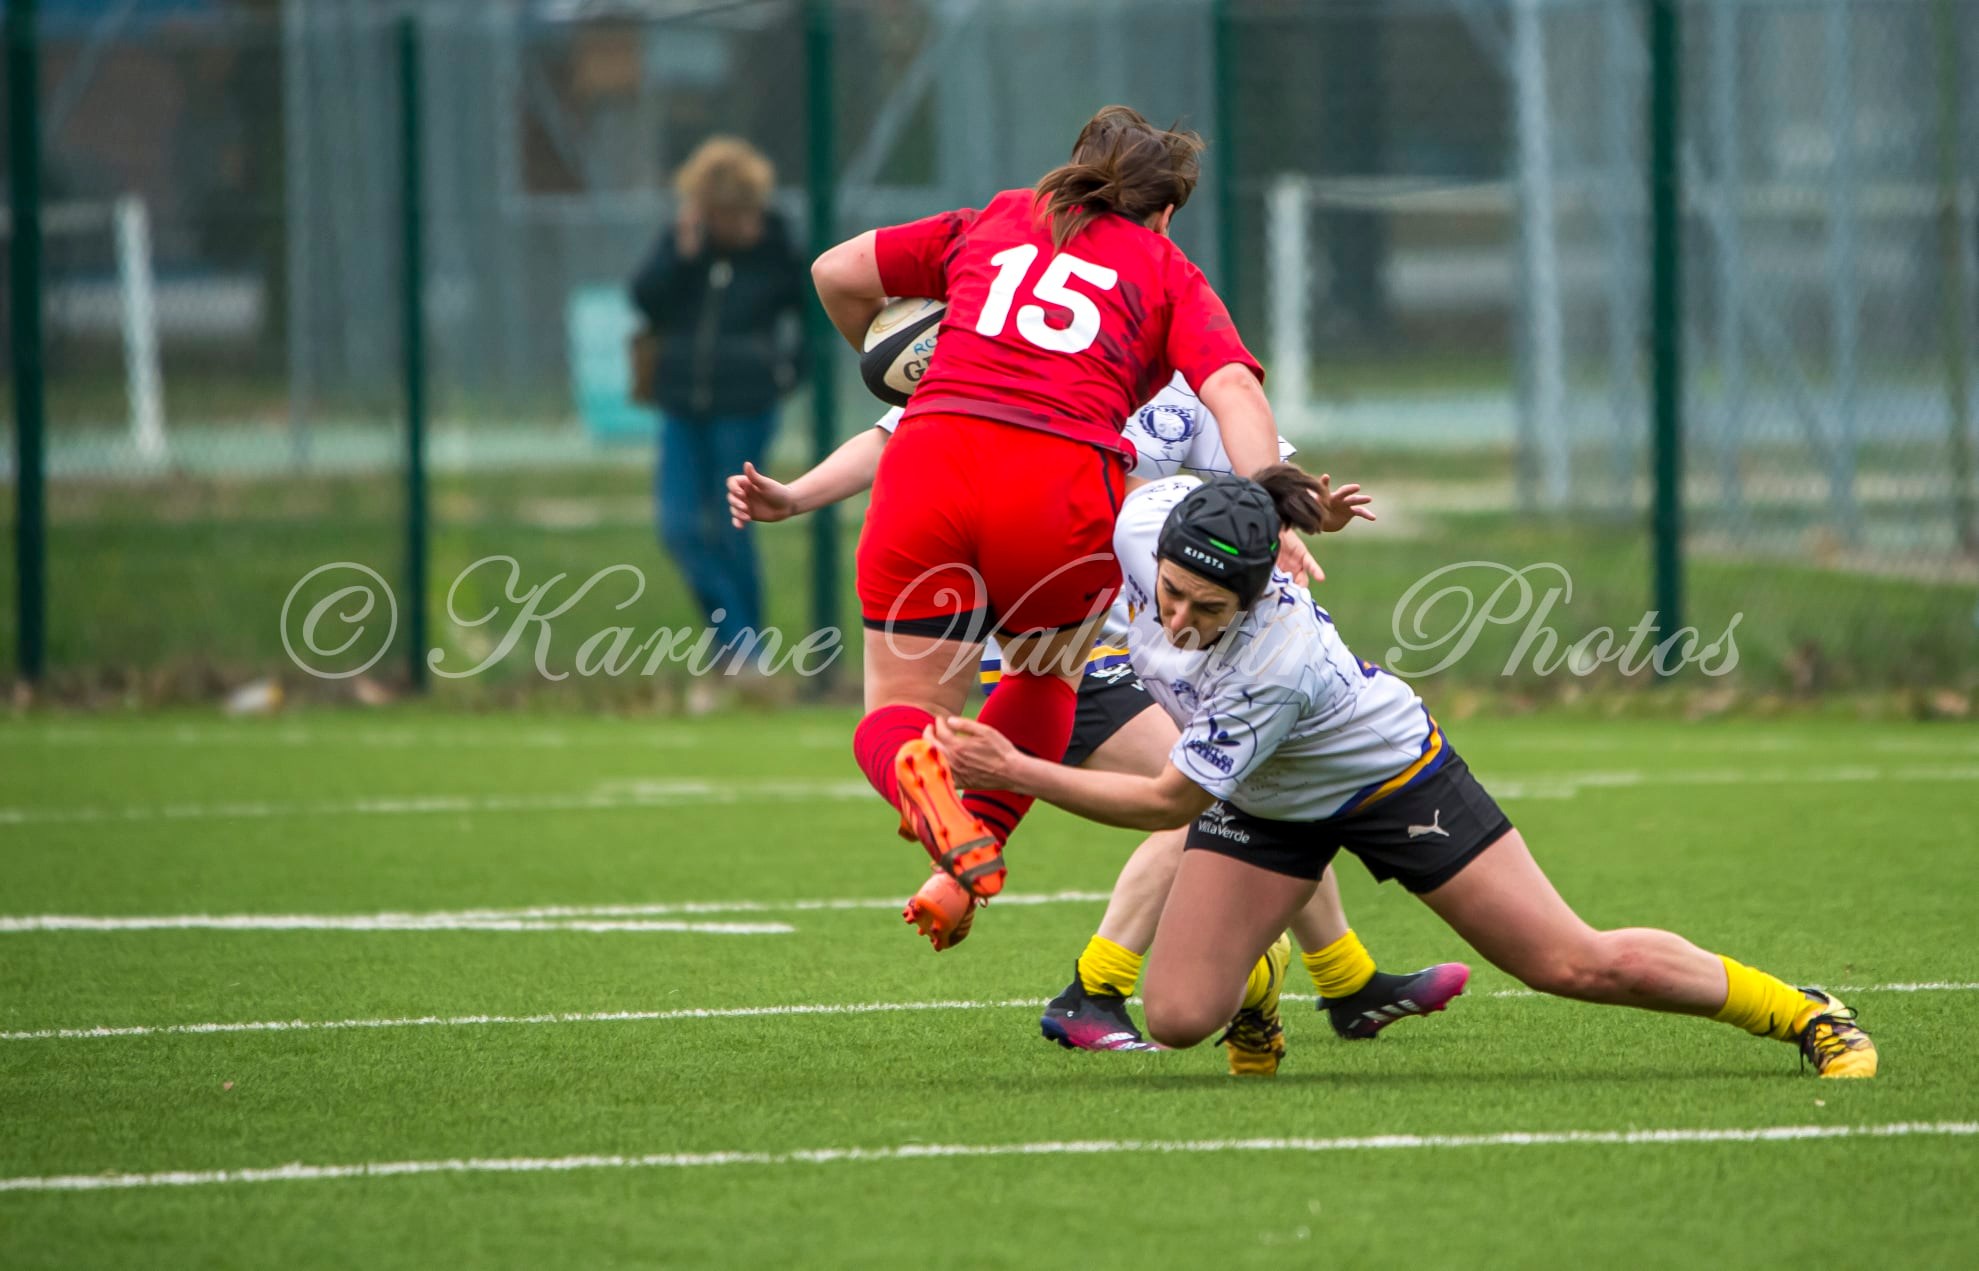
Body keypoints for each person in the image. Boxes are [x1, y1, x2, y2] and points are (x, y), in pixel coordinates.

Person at [933, 469, 1880, 1078]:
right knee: (1179, 1017)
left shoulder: (1277, 658)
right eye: (1169, 593)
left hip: (1388, 780)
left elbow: (1167, 801)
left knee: (1570, 962)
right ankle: (1259, 976)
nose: (1175, 620)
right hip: (1270, 802)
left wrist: (1015, 768)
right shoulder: (1148, 522)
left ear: (1260, 592)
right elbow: (1209, 488)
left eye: (1207, 607)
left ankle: (1803, 1013)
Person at [728, 378, 1464, 1068]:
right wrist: (793, 497)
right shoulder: (1024, 348)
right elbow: (895, 437)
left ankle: (1338, 981)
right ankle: (1097, 987)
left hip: (1157, 653)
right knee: (1209, 798)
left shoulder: (1186, 381)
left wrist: (1300, 518)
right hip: (1057, 653)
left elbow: (1257, 477)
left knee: (1259, 793)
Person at [809, 106, 1331, 949]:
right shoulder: (1165, 269)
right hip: (1057, 484)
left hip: (932, 456)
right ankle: (972, 837)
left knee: (899, 707)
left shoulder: (994, 217)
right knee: (1047, 677)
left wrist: (897, 381)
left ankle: (925, 788)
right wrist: (1264, 496)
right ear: (1164, 212)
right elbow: (1232, 387)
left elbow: (836, 271)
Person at [629, 136, 808, 703]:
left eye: (749, 210)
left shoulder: (778, 247)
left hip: (746, 407)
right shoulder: (686, 246)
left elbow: (814, 316)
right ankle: (741, 649)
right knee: (679, 527)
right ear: (708, 213)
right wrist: (680, 257)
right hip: (682, 404)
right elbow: (645, 299)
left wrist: (785, 375)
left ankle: (744, 657)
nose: (745, 223)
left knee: (734, 529)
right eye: (732, 214)